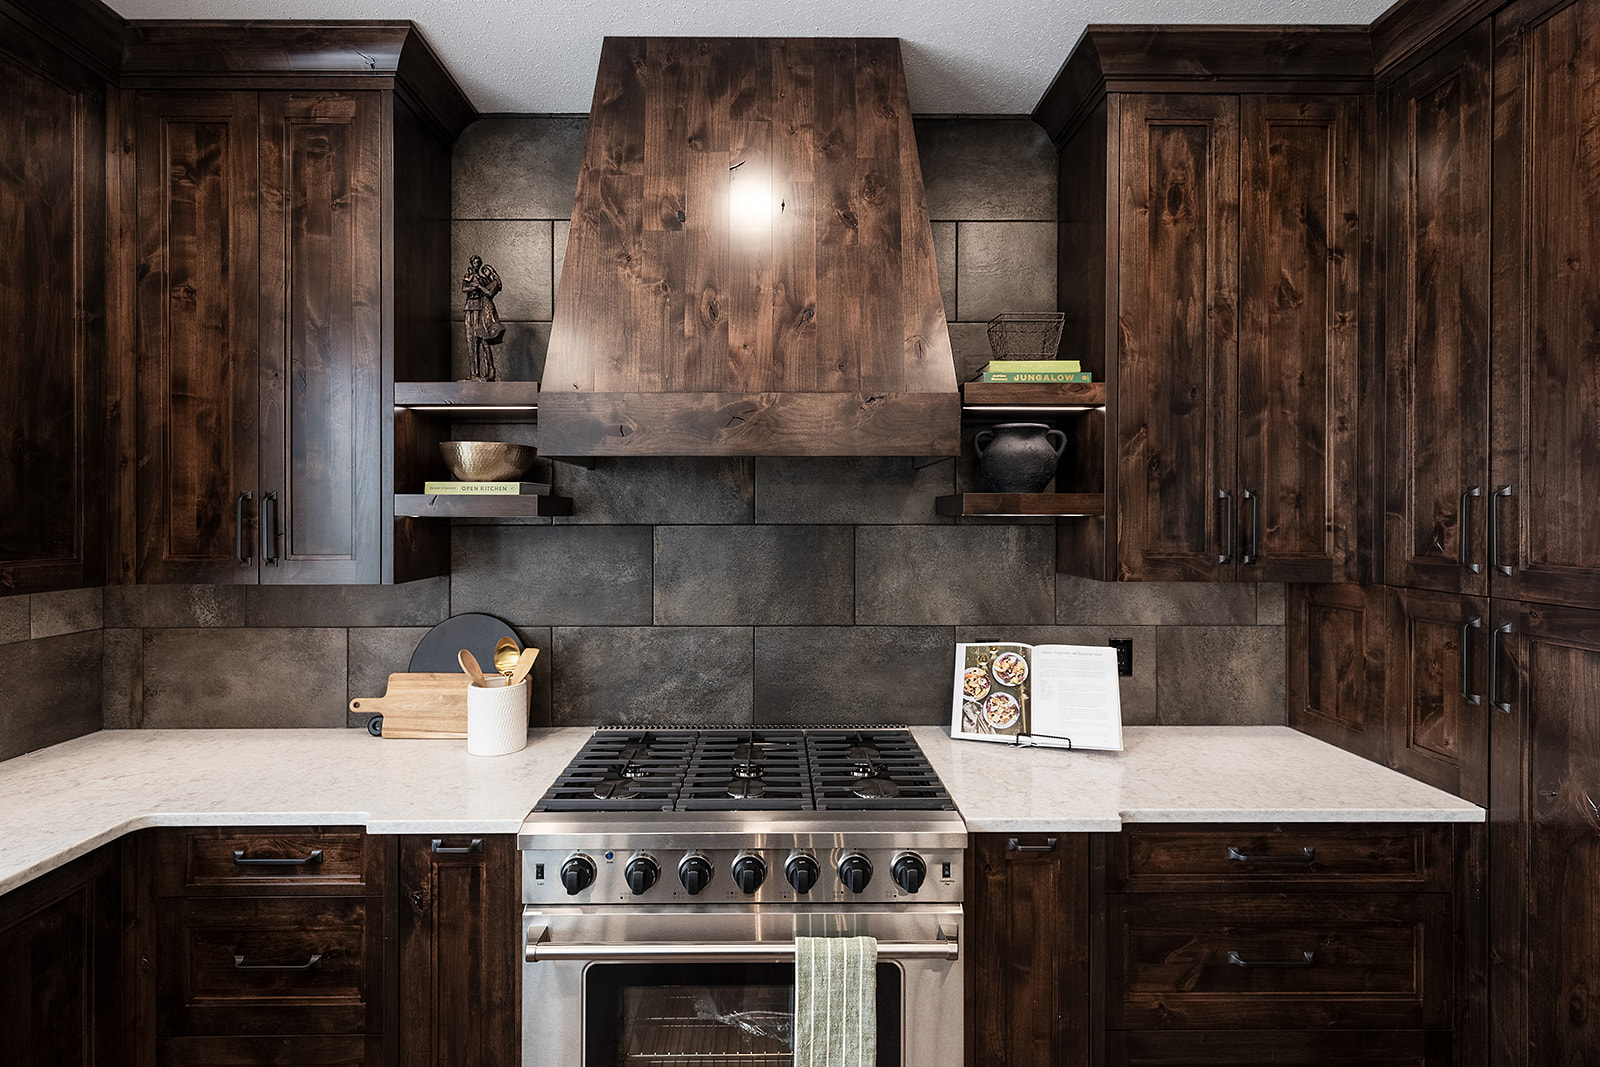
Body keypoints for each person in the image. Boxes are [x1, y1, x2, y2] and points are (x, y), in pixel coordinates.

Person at [461, 255, 505, 380]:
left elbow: (490, 291)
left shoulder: (484, 280)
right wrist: (473, 285)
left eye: (478, 263)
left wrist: (478, 286)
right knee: (471, 341)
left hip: (480, 310)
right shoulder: (468, 276)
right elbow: (464, 288)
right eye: (475, 262)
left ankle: (488, 370)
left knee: (482, 340)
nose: (477, 265)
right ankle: (474, 373)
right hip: (470, 307)